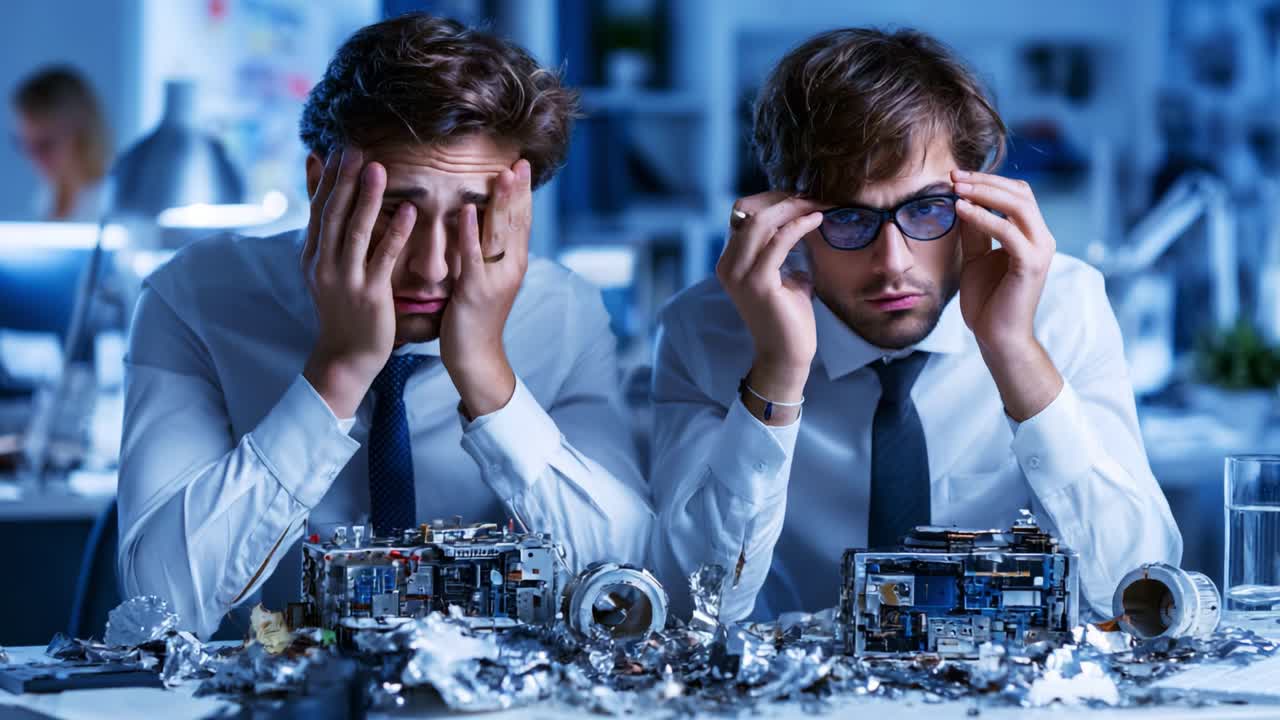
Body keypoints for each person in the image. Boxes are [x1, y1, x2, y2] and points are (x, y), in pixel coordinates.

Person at [117, 13, 653, 639]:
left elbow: (630, 584)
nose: (431, 268)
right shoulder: (194, 299)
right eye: (396, 211)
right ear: (321, 185)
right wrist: (338, 371)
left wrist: (487, 376)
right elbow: (159, 607)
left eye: (473, 217)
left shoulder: (564, 313)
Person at [649, 28, 1181, 622]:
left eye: (927, 208)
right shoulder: (704, 332)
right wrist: (778, 371)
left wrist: (1013, 351)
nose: (894, 263)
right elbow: (689, 610)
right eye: (849, 218)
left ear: (979, 196)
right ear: (787, 215)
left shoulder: (1063, 305)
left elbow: (1139, 595)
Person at [11, 65, 110, 221]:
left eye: (45, 145)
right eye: (24, 144)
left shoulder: (111, 200)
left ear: (79, 132)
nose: (33, 158)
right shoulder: (48, 195)